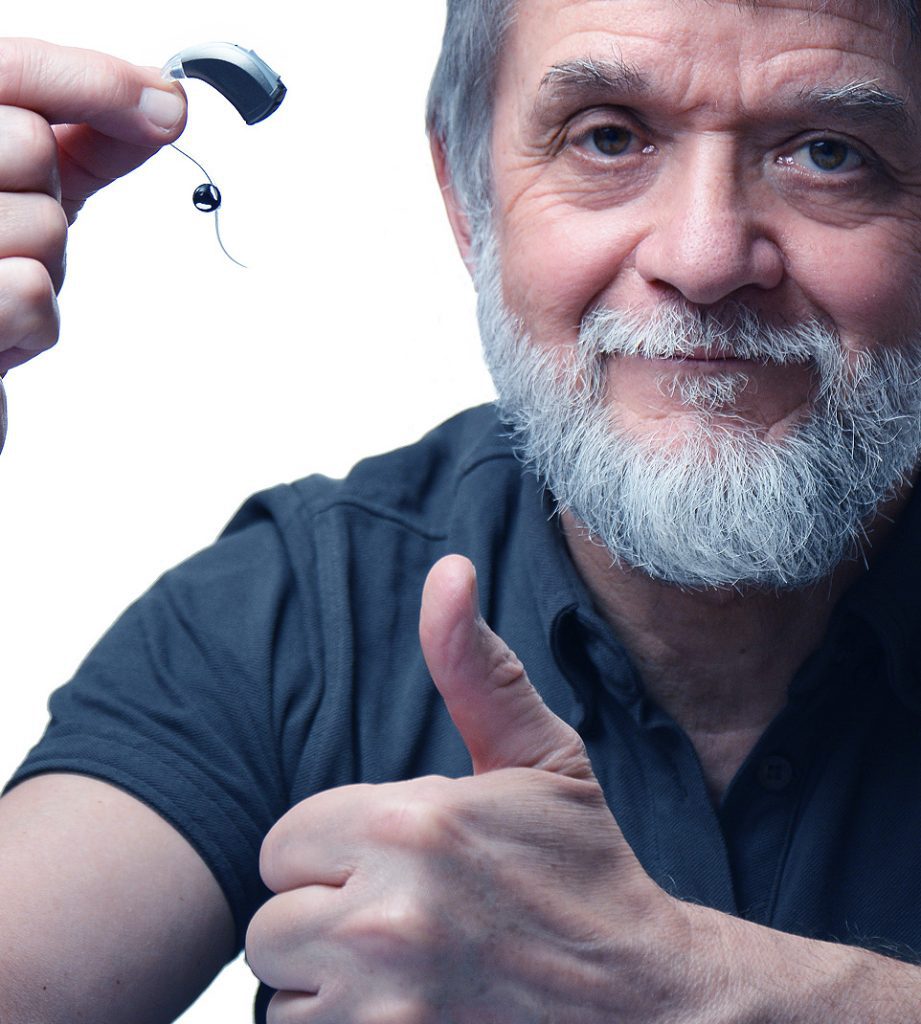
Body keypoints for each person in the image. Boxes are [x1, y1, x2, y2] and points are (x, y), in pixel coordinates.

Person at [4, 0, 921, 1020]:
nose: (705, 258)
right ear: (465, 197)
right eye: (607, 137)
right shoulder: (292, 619)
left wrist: (688, 988)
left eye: (828, 153)